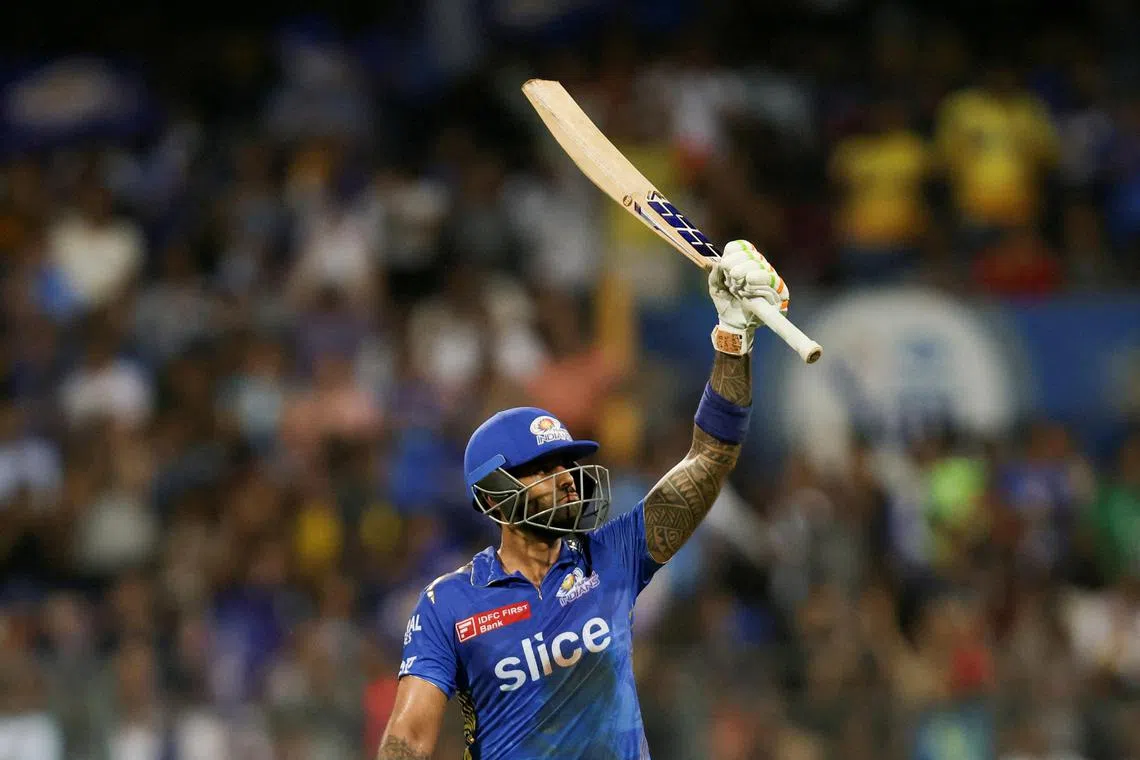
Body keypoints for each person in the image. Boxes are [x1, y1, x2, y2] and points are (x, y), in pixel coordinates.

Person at [377, 240, 789, 759]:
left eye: (567, 465)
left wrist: (732, 339)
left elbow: (709, 459)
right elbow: (409, 738)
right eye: (544, 468)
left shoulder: (613, 555)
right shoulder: (448, 604)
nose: (567, 478)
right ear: (496, 495)